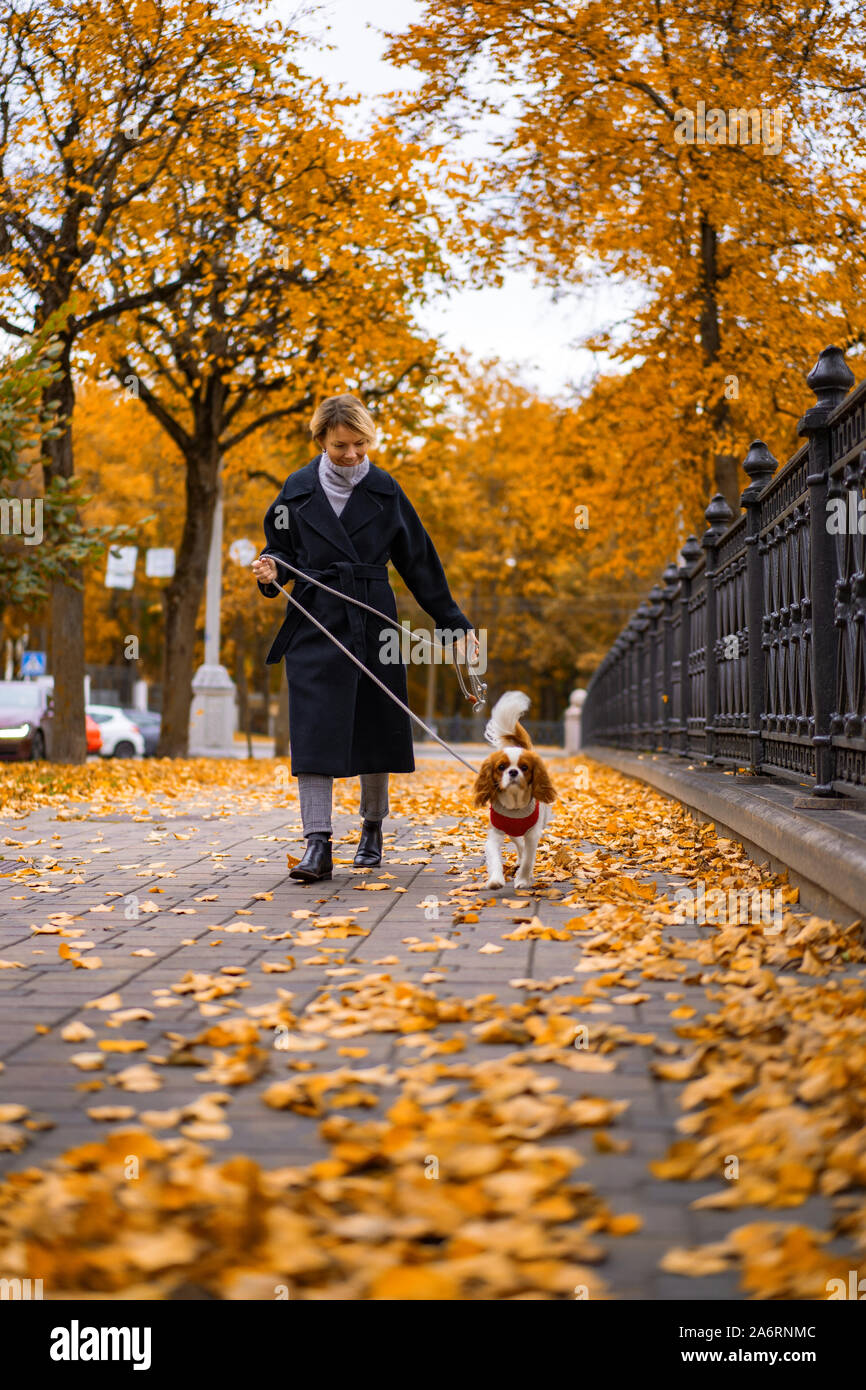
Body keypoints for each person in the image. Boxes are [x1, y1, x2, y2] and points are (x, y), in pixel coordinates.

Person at [252, 394, 479, 883]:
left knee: (377, 726)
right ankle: (317, 844)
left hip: (375, 620)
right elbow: (279, 548)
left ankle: (372, 830)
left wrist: (455, 625)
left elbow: (419, 563)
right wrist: (270, 569)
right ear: (320, 441)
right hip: (315, 621)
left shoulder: (385, 490)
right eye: (340, 446)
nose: (352, 455)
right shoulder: (294, 490)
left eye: (359, 444)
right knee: (313, 729)